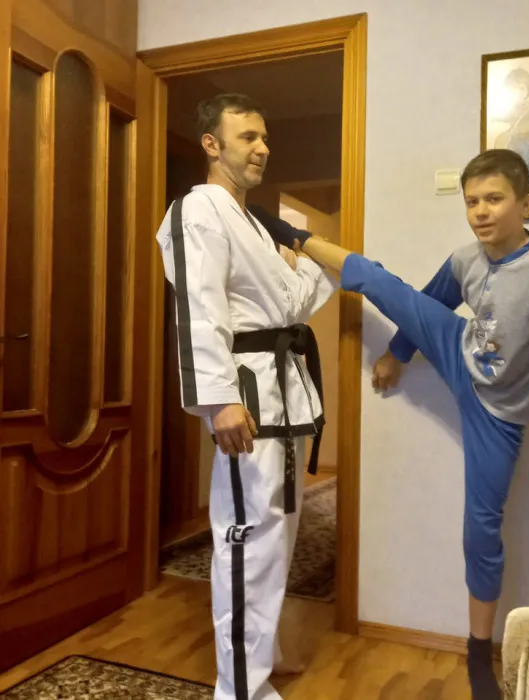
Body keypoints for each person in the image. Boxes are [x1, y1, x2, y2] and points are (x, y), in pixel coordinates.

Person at [254, 148, 529, 700]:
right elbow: (428, 303)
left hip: (501, 413)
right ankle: (291, 233)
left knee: (481, 531)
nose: (481, 211)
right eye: (472, 201)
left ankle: (478, 651)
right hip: (458, 351)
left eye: (494, 199)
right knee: (382, 283)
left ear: (526, 203)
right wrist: (397, 354)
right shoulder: (464, 260)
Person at [155, 93, 338, 700]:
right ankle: (240, 690)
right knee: (246, 540)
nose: (262, 148)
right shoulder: (197, 210)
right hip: (246, 399)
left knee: (277, 536)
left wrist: (306, 260)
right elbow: (197, 308)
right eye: (248, 137)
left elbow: (291, 304)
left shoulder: (254, 222)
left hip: (286, 395)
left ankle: (262, 655)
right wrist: (218, 400)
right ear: (212, 144)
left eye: (264, 138)